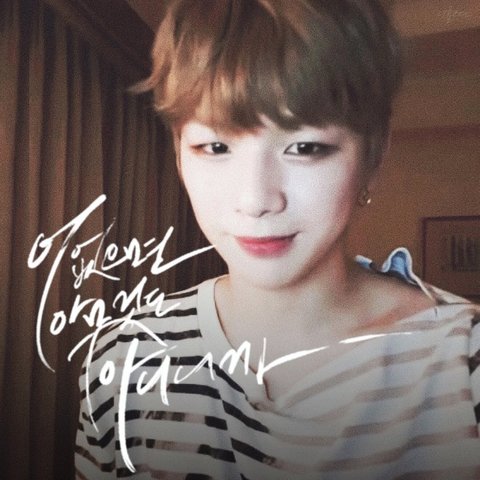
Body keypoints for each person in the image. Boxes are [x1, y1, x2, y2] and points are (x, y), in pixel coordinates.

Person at [75, 1, 480, 478]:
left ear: (373, 155)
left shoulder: (465, 363)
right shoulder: (123, 359)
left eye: (304, 147)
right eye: (215, 147)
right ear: (180, 155)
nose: (256, 200)